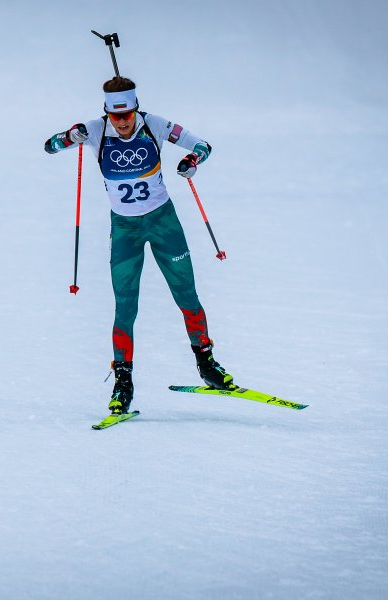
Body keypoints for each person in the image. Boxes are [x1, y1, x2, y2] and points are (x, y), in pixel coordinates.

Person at [44, 76, 236, 416]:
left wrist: (191, 162)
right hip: (125, 230)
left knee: (187, 295)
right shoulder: (95, 130)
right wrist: (71, 136)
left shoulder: (155, 124)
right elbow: (50, 146)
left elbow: (202, 145)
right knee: (125, 306)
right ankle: (123, 382)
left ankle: (207, 365)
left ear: (136, 108)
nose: (122, 123)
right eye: (115, 116)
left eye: (127, 115)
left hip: (164, 223)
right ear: (107, 113)